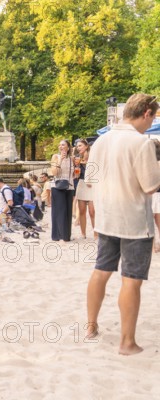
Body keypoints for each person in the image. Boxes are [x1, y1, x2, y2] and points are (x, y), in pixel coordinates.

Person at [85, 93, 160, 355]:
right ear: (147, 113)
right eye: (153, 117)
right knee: (131, 281)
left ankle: (91, 326)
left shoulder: (100, 142)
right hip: (134, 222)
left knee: (100, 272)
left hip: (107, 217)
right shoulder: (141, 144)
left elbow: (91, 180)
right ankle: (127, 342)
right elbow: (151, 186)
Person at [50, 140, 75, 241]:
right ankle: (58, 236)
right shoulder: (55, 157)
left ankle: (66, 236)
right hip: (57, 186)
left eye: (63, 144)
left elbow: (73, 173)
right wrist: (60, 160)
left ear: (68, 147)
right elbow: (54, 172)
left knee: (68, 211)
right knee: (60, 211)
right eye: (59, 145)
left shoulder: (72, 159)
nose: (61, 146)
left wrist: (76, 174)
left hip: (70, 186)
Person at [74, 139, 96, 239]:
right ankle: (83, 233)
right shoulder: (77, 158)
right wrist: (77, 166)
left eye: (80, 146)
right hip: (82, 184)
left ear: (86, 146)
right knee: (82, 210)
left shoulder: (93, 157)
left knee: (92, 211)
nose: (78, 148)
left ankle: (96, 233)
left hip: (92, 185)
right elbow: (76, 176)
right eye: (77, 146)